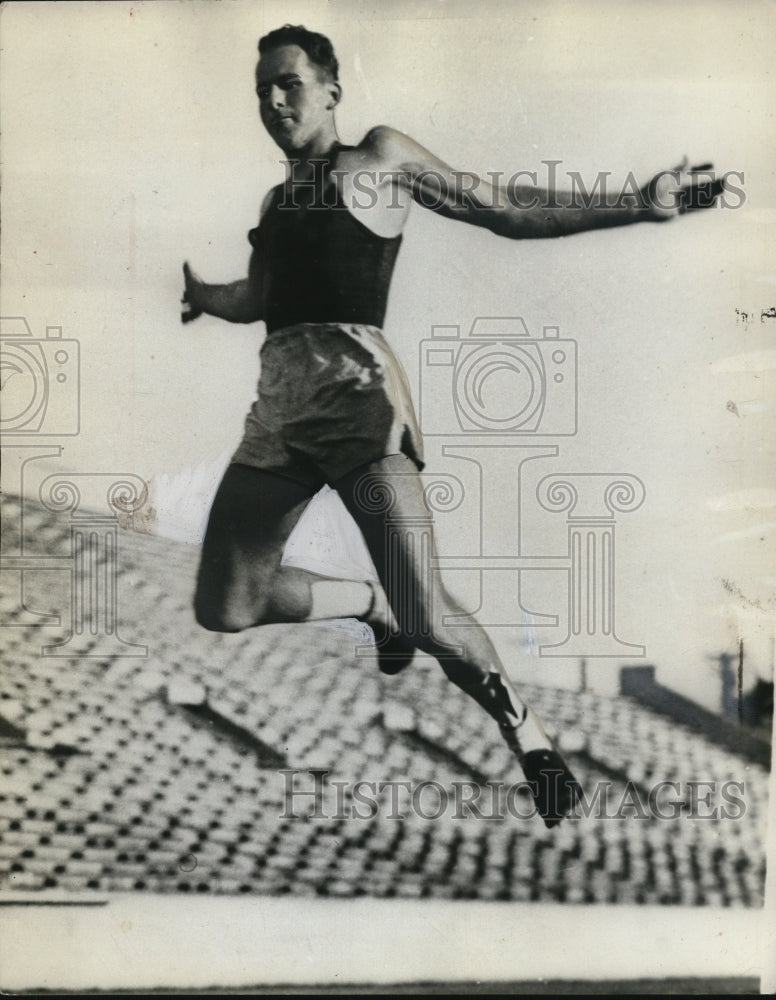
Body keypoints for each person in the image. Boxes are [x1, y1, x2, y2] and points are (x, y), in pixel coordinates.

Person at [181, 24, 723, 826]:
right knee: (225, 604)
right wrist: (204, 296)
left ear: (331, 89)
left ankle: (527, 736)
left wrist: (637, 204)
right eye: (261, 88)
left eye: (288, 83)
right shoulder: (276, 202)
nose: (272, 100)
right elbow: (258, 297)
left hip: (360, 403)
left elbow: (502, 207)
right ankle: (371, 605)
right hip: (279, 411)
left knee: (431, 614)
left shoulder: (380, 158)